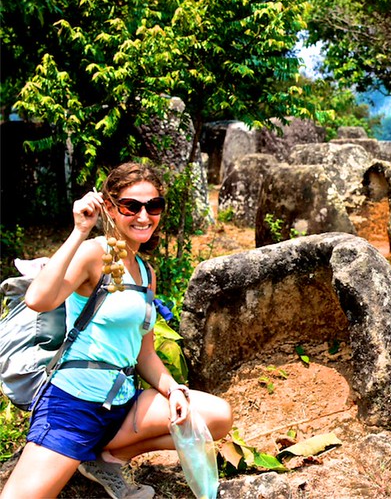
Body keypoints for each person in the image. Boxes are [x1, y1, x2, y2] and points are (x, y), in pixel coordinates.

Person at [1, 162, 233, 499]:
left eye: (153, 206)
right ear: (110, 208)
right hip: (74, 404)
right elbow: (38, 299)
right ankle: (83, 450)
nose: (144, 216)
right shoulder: (94, 254)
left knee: (217, 418)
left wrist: (173, 390)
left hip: (121, 407)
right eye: (131, 206)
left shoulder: (145, 271)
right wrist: (80, 229)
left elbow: (145, 352)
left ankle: (108, 459)